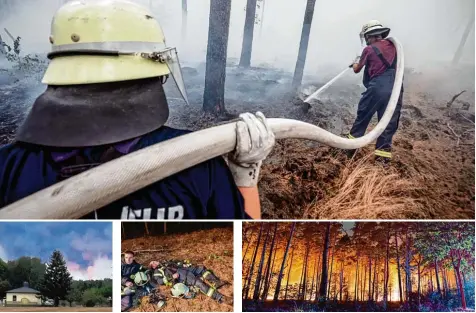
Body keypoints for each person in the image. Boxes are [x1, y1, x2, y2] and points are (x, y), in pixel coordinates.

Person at [0, 0, 275, 219]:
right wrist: (244, 175)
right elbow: (242, 244)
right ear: (154, 71)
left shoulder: (7, 167)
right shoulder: (197, 164)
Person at [348, 20, 403, 163]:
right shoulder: (394, 47)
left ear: (369, 36)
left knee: (363, 117)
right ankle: (382, 162)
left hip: (378, 88)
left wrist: (355, 61)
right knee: (388, 123)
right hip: (396, 89)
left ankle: (349, 152)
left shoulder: (369, 49)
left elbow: (356, 69)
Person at [148, 260, 229, 303]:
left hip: (184, 269)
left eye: (155, 261)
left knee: (202, 269)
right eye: (153, 262)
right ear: (153, 266)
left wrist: (184, 263)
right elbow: (160, 281)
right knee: (199, 283)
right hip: (180, 276)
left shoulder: (165, 263)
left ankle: (216, 282)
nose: (155, 261)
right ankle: (220, 298)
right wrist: (172, 277)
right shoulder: (156, 272)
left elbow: (176, 262)